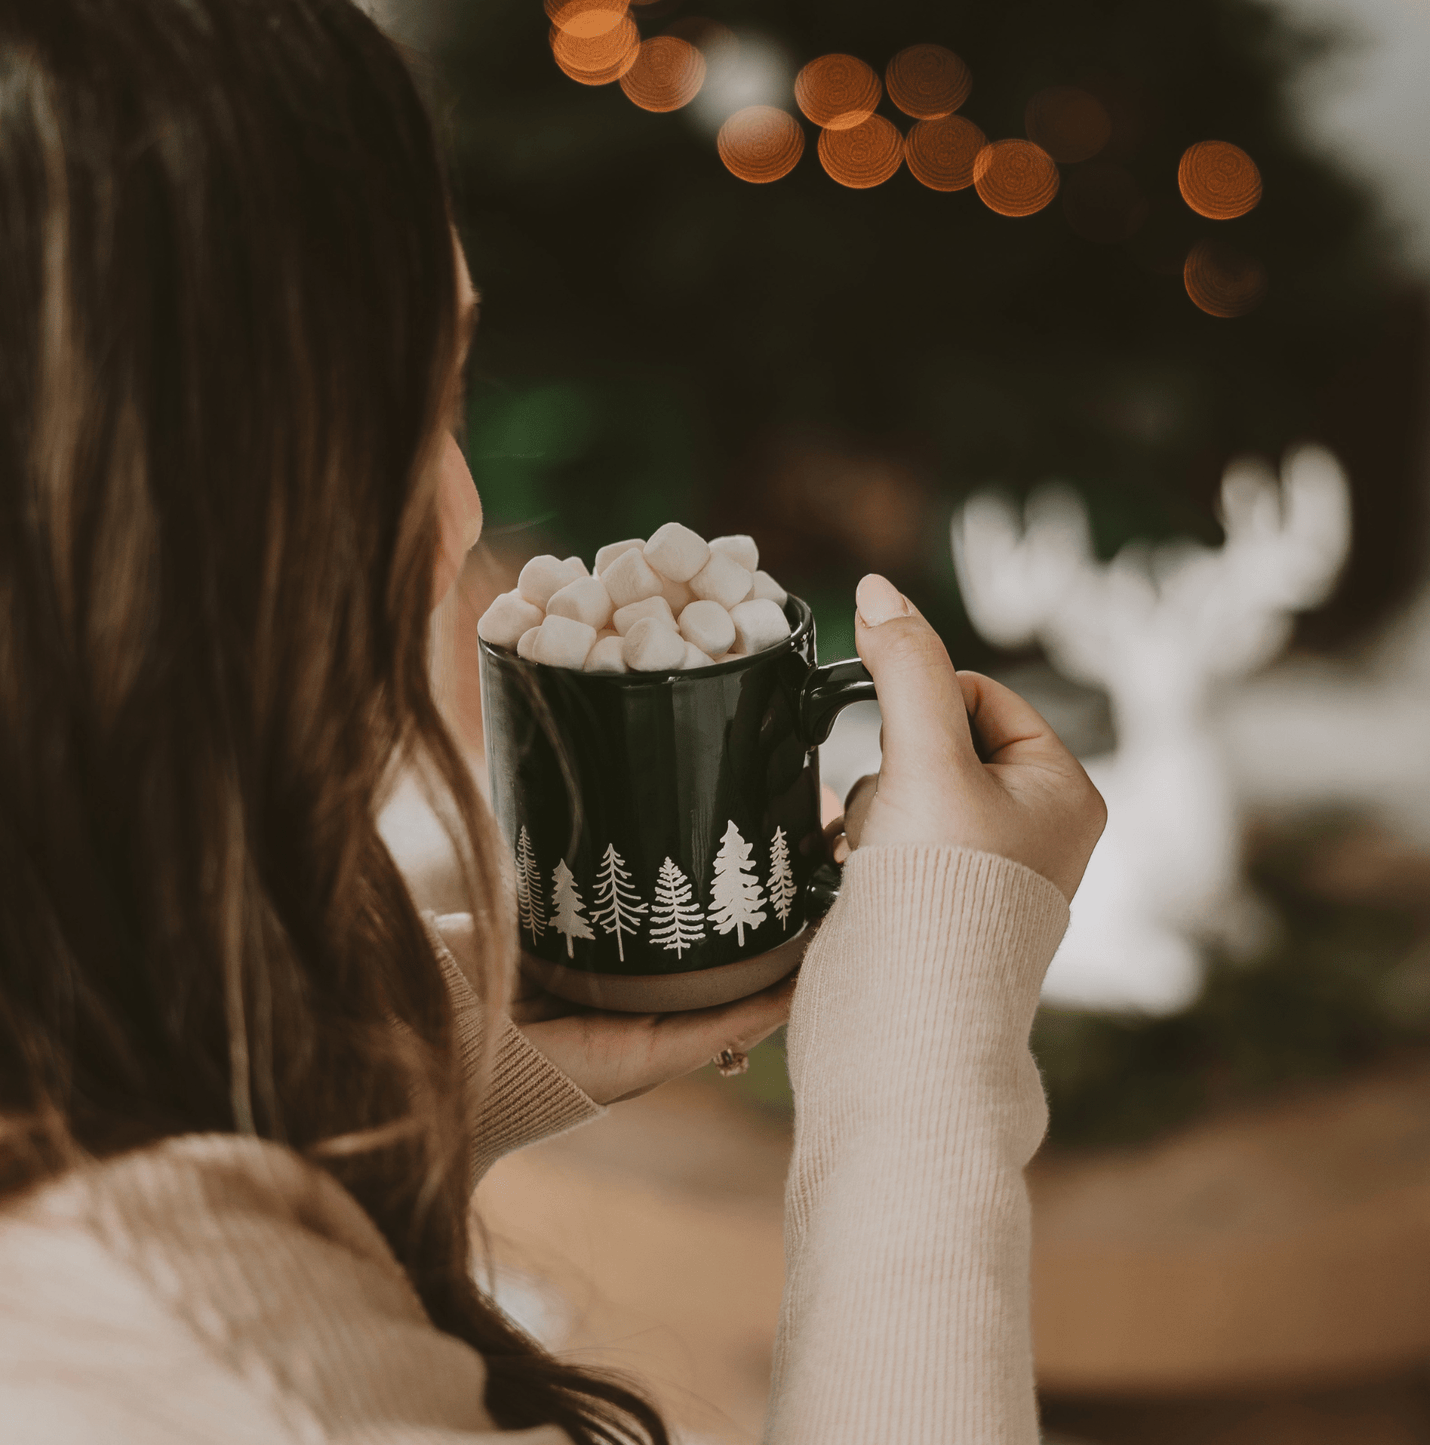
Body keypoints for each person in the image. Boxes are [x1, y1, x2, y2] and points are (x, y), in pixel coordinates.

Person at [0, 1, 1105, 1441]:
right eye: (408, 401)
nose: (460, 506)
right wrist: (924, 1069)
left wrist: (381, 1060)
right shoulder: (220, 1377)